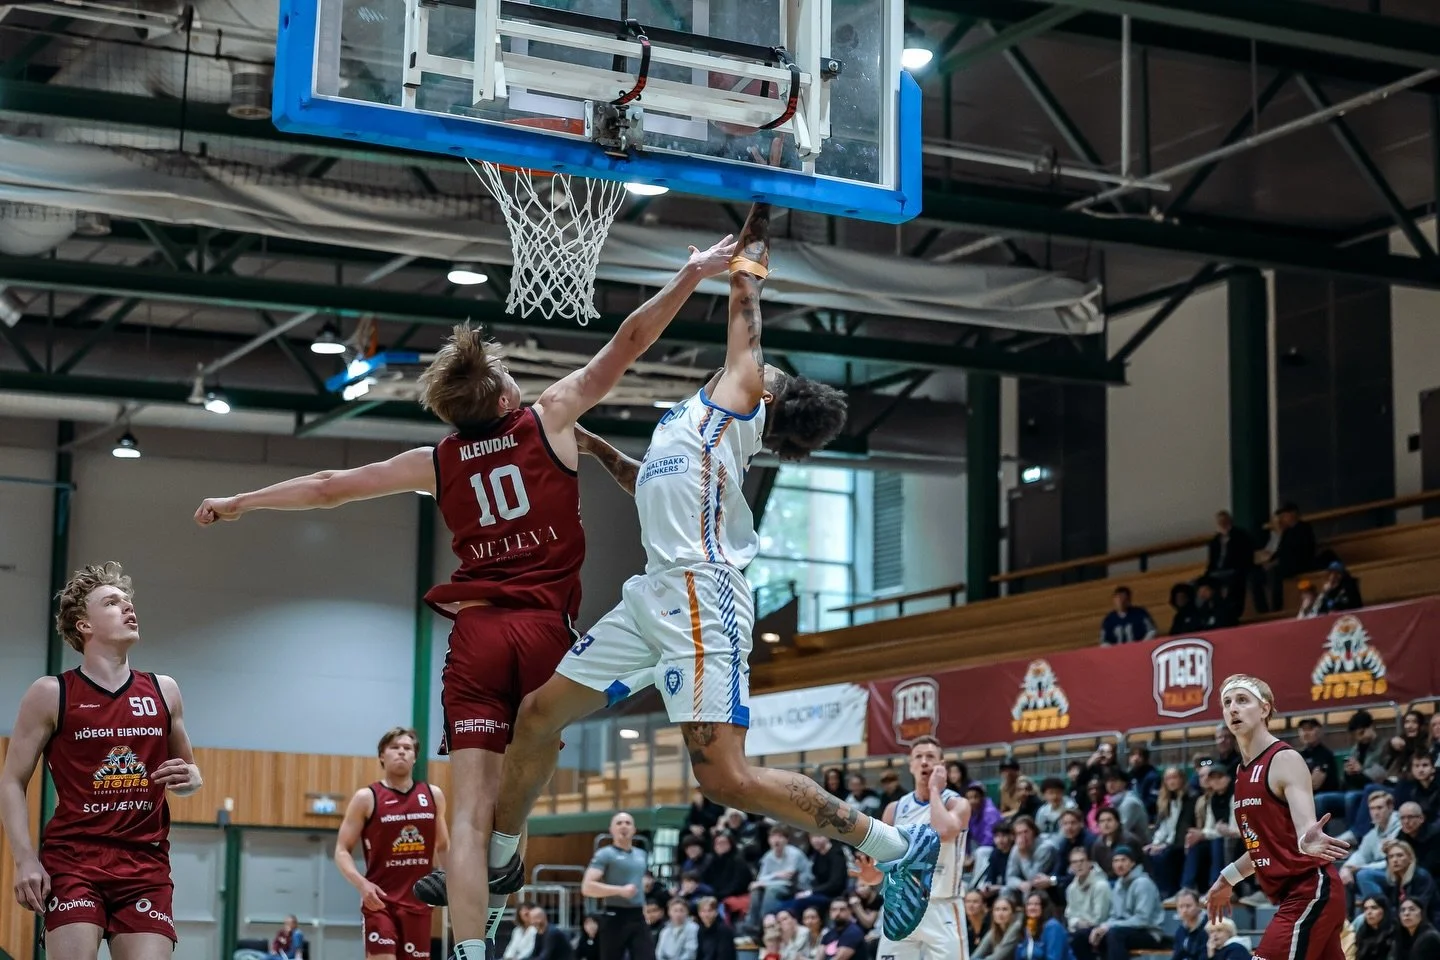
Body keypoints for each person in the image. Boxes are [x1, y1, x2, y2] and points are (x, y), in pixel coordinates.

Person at [425, 170, 938, 942]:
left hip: (704, 596)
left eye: (762, 369)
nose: (754, 363)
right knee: (536, 715)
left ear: (765, 393)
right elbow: (651, 491)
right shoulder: (690, 435)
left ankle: (893, 845)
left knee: (723, 778)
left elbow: (744, 302)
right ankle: (501, 859)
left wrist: (762, 205)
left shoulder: (741, 393)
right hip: (655, 592)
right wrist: (596, 452)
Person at [194, 234, 738, 960]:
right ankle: (514, 841)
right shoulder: (550, 416)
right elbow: (629, 339)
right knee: (537, 749)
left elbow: (328, 488)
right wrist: (690, 273)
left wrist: (241, 501)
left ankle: (473, 951)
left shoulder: (434, 460)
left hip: (477, 639)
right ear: (506, 394)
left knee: (469, 817)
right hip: (546, 632)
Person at [0, 562, 202, 960]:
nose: (128, 608)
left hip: (145, 865)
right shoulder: (50, 693)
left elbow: (191, 772)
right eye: (112, 602)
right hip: (75, 862)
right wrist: (25, 859)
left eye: (128, 602)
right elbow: (11, 781)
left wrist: (190, 778)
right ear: (83, 625)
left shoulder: (165, 690)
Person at [1203, 674, 1351, 960]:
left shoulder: (1284, 759)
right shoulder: (1241, 773)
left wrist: (1309, 839)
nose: (1233, 708)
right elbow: (1262, 849)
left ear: (1265, 709)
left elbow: (1306, 829)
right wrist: (1226, 879)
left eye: (1242, 700)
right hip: (1297, 895)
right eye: (1227, 702)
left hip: (1310, 890)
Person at [334, 727, 448, 960]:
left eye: (407, 748)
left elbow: (443, 846)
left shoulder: (432, 795)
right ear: (381, 756)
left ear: (415, 757)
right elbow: (341, 850)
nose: (401, 752)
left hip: (419, 903)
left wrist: (451, 886)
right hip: (380, 902)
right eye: (394, 747)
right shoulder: (366, 797)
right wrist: (362, 884)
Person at [857, 736, 969, 960]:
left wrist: (935, 791)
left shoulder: (956, 803)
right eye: (918, 757)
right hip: (900, 906)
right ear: (911, 765)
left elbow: (943, 833)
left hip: (942, 906)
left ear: (941, 765)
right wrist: (872, 876)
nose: (924, 762)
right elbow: (883, 864)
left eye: (931, 757)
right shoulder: (894, 809)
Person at [585, 812, 654, 960]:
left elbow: (638, 885)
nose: (624, 826)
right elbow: (587, 887)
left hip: (637, 916)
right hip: (614, 916)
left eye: (628, 823)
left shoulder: (641, 855)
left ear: (634, 829)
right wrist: (620, 891)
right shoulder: (605, 854)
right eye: (619, 823)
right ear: (611, 829)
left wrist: (644, 910)